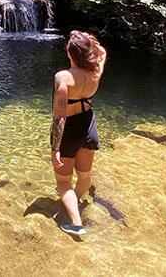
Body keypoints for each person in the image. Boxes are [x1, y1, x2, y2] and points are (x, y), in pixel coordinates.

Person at [50, 30, 107, 236]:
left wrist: (55, 148)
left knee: (63, 182)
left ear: (70, 53)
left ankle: (76, 224)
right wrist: (89, 40)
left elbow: (60, 117)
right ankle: (76, 197)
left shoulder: (63, 78)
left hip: (70, 129)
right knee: (84, 175)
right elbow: (101, 52)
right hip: (88, 124)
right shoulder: (95, 71)